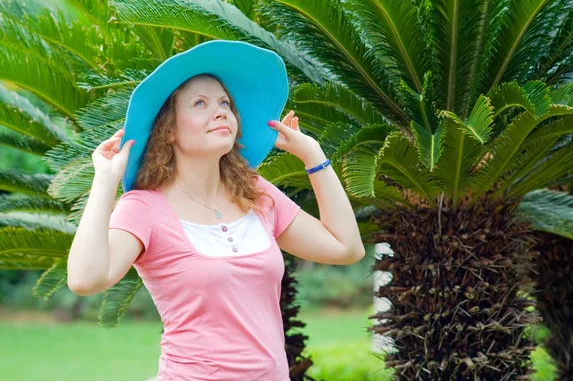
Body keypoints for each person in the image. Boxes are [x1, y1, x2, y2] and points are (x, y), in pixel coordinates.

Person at [67, 40, 365, 380]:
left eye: (225, 102)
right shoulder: (145, 208)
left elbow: (347, 248)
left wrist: (314, 157)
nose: (221, 110)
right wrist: (104, 181)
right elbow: (84, 279)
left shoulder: (255, 193)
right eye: (200, 103)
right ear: (169, 130)